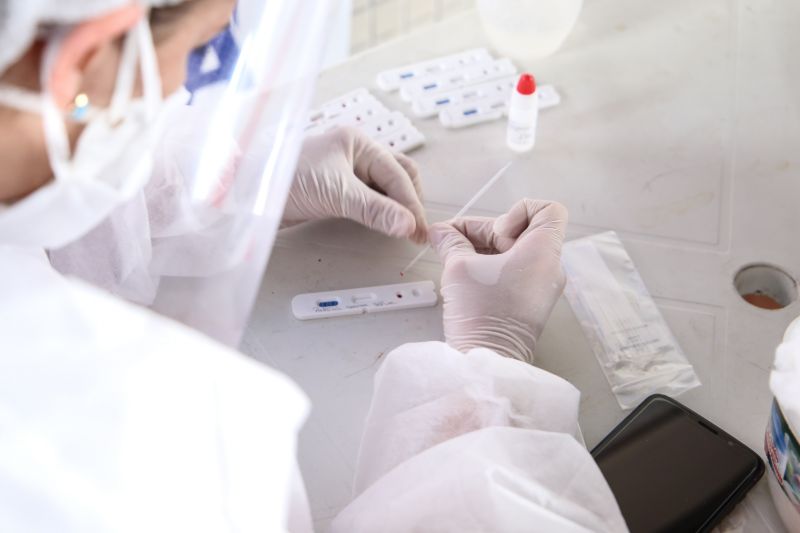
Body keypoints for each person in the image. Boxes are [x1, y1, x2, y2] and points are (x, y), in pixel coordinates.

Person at [0, 0, 628, 531]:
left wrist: (239, 182)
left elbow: (42, 168)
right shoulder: (129, 449)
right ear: (81, 60)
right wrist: (489, 382)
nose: (179, 90)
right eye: (198, 53)